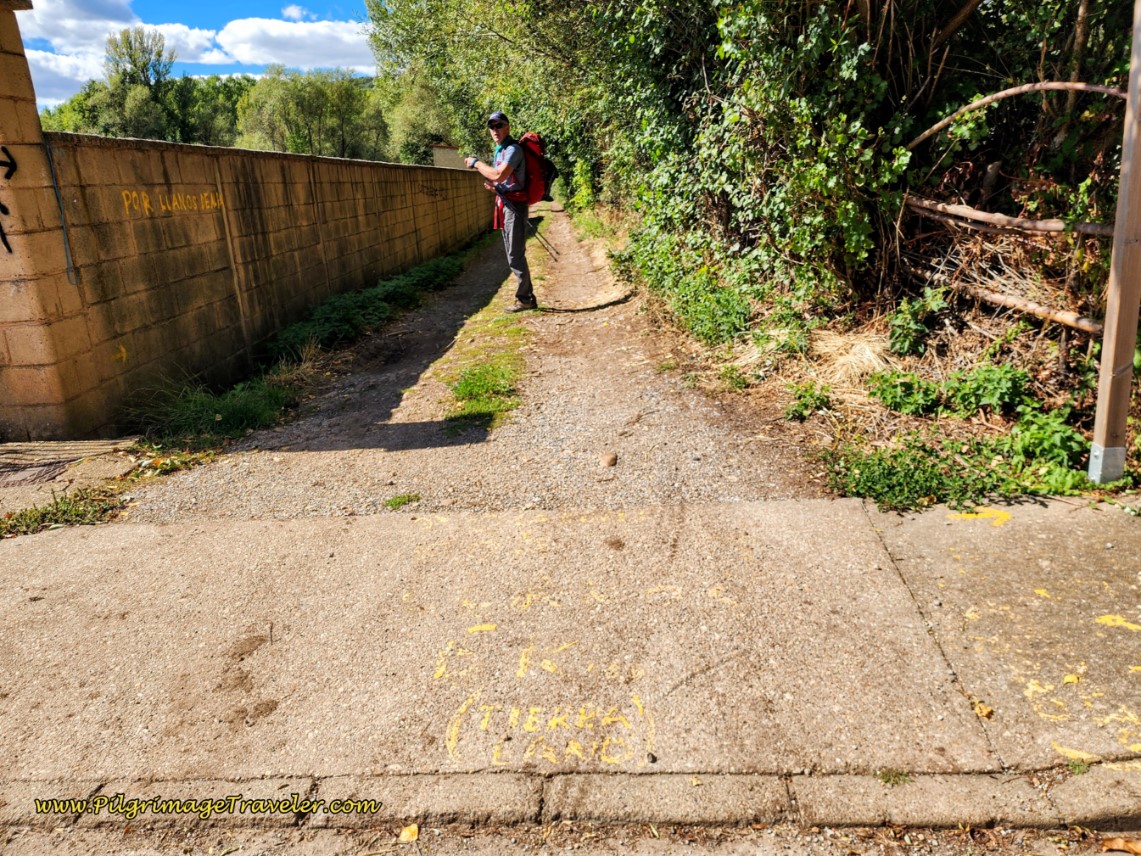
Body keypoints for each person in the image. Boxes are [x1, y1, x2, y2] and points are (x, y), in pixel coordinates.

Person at [465, 111, 536, 312]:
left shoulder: (512, 149)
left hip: (515, 207)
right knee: (512, 252)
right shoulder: (501, 150)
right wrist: (497, 188)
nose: (495, 130)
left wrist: (476, 163)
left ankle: (525, 298)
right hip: (506, 204)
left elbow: (497, 174)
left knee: (515, 254)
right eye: (492, 126)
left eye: (499, 125)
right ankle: (526, 296)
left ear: (507, 127)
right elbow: (503, 180)